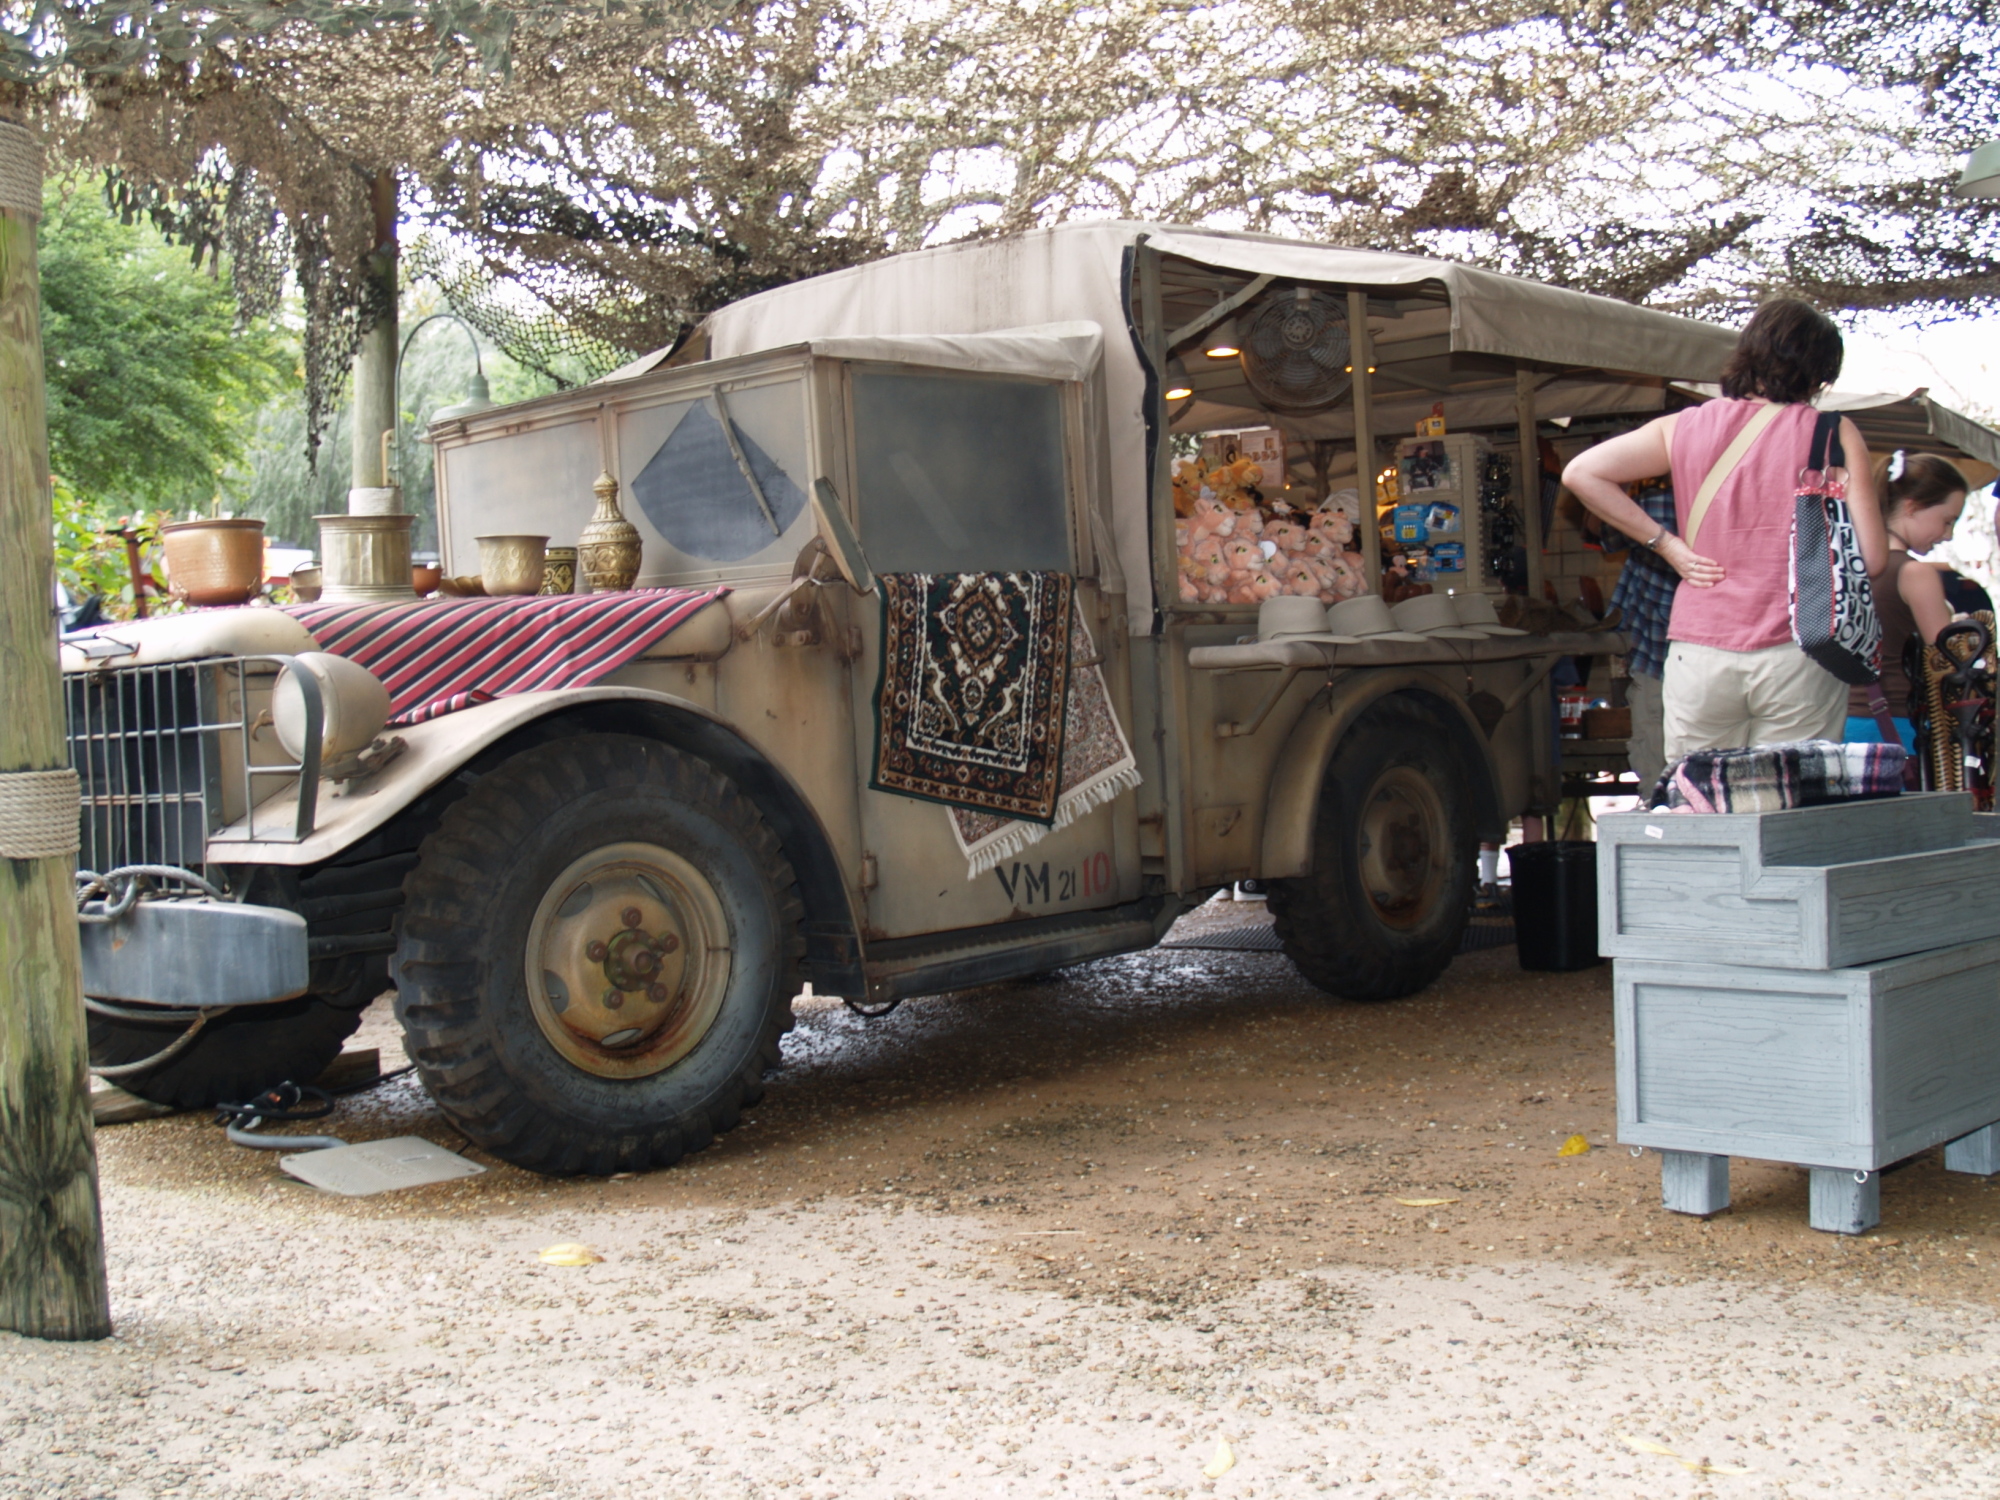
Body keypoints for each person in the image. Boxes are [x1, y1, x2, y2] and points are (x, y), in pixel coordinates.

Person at [1560, 300, 1884, 759]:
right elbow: (1871, 558)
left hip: (1700, 649)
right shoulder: (1833, 432)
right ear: (1819, 373)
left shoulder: (1685, 425)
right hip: (1798, 647)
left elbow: (1581, 473)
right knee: (1785, 806)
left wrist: (1666, 545)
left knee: (1699, 805)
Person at [1845, 451, 1971, 749]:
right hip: (1895, 724)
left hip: (1841, 721)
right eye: (1947, 520)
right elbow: (1946, 659)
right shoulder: (1914, 573)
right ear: (1913, 507)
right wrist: (1962, 631)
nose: (1948, 535)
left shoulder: (1848, 562)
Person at [1592, 479, 1678, 790]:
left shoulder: (1652, 503)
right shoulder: (1726, 494)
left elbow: (1604, 532)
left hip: (1659, 657)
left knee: (1658, 773)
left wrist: (1619, 482)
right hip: (1714, 655)